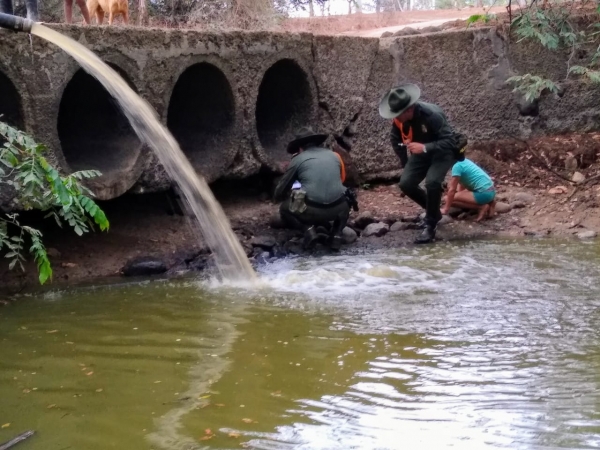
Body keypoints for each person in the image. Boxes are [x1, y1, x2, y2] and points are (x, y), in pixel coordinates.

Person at [379, 83, 462, 244]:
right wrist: (405, 163)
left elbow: (450, 141)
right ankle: (434, 212)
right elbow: (395, 139)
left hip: (442, 151)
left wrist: (425, 147)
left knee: (432, 182)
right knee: (406, 183)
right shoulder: (399, 121)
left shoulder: (432, 115)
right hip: (420, 152)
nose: (395, 117)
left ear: (409, 109)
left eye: (397, 114)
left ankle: (430, 225)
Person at [274, 127, 351, 251]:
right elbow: (342, 180)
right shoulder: (335, 155)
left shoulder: (298, 159)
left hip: (311, 210)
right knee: (348, 196)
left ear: (300, 148)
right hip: (339, 208)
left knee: (284, 208)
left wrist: (278, 197)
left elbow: (281, 189)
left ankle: (308, 231)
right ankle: (336, 234)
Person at [441, 152, 496, 222]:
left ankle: (481, 207)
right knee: (454, 197)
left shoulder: (456, 167)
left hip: (484, 194)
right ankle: (491, 202)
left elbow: (452, 190)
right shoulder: (465, 161)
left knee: (446, 199)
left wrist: (445, 209)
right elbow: (463, 184)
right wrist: (458, 195)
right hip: (491, 190)